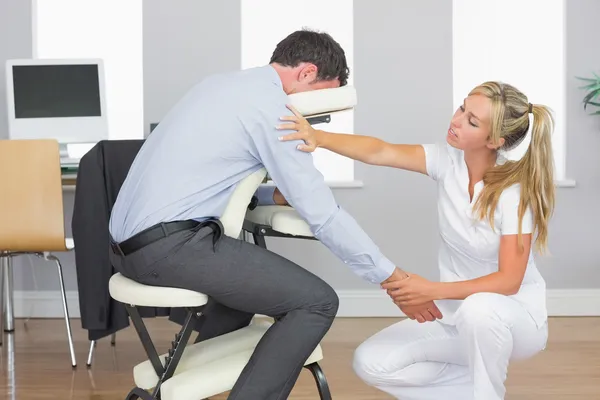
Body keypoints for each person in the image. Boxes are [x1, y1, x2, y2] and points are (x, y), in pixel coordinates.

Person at [107, 29, 420, 400]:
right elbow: (323, 214)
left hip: (126, 248)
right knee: (316, 302)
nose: (317, 117)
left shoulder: (222, 85)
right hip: (169, 248)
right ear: (306, 73)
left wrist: (273, 195)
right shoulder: (275, 110)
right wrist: (391, 276)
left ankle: (181, 390)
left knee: (245, 293)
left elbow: (209, 181)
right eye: (323, 97)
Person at [277, 81, 555, 399]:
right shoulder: (447, 161)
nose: (457, 119)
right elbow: (381, 151)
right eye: (463, 108)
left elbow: (509, 281)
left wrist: (431, 290)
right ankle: (470, 391)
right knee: (371, 362)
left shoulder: (514, 193)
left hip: (514, 321)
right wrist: (319, 137)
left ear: (495, 140)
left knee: (479, 310)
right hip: (455, 317)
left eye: (472, 121)